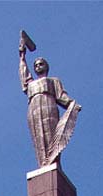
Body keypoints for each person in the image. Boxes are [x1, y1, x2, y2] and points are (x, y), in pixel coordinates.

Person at [20, 39, 81, 167]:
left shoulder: (53, 81)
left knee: (51, 135)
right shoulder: (31, 84)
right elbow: (24, 76)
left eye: (40, 64)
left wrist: (71, 103)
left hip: (49, 106)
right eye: (36, 65)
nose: (38, 66)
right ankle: (42, 164)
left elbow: (61, 96)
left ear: (46, 67)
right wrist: (22, 57)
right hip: (33, 109)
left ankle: (53, 162)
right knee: (38, 137)